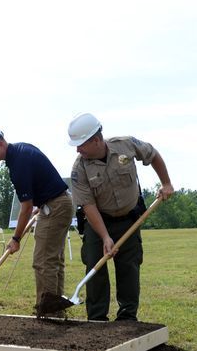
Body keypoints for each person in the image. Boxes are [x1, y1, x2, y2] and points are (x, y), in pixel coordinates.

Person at [68, 113, 174, 321]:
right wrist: (106, 237)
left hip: (129, 219)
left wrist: (166, 183)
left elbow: (152, 155)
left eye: (80, 144)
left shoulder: (126, 145)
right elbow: (89, 206)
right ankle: (97, 319)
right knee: (94, 268)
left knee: (129, 267)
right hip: (98, 221)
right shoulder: (79, 168)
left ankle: (127, 319)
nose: (77, 149)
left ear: (96, 140)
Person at [0, 125, 73, 314]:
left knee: (43, 261)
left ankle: (48, 311)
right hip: (57, 203)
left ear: (0, 143)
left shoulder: (18, 163)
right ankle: (55, 308)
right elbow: (38, 186)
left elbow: (25, 207)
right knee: (53, 260)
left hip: (56, 206)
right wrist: (40, 204)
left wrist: (16, 238)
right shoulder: (21, 151)